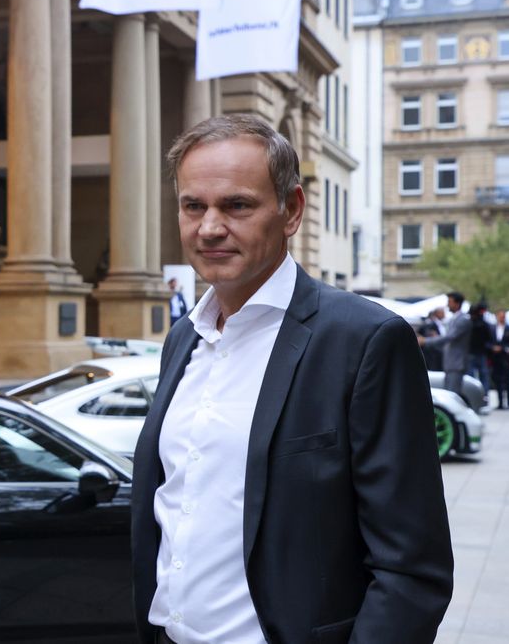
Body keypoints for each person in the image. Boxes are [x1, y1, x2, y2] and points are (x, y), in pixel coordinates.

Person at [132, 115, 452, 644]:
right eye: (194, 206)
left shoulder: (365, 340)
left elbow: (412, 570)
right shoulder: (181, 340)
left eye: (236, 205)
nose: (209, 227)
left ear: (292, 210)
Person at [420, 292, 472, 397]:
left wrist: (426, 341)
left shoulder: (462, 319)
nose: (448, 305)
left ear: (457, 304)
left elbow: (449, 337)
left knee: (452, 395)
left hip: (456, 363)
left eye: (450, 302)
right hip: (451, 363)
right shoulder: (455, 319)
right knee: (450, 393)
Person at [490, 310, 509, 410]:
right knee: (497, 380)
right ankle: (500, 402)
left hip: (506, 359)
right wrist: (493, 348)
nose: (502, 318)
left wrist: (504, 348)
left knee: (508, 380)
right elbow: (488, 342)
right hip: (495, 359)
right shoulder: (491, 328)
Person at [467, 303, 493, 401]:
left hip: (475, 353)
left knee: (474, 377)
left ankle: (477, 397)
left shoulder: (471, 324)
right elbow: (489, 338)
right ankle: (482, 397)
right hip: (479, 353)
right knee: (481, 376)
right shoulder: (483, 324)